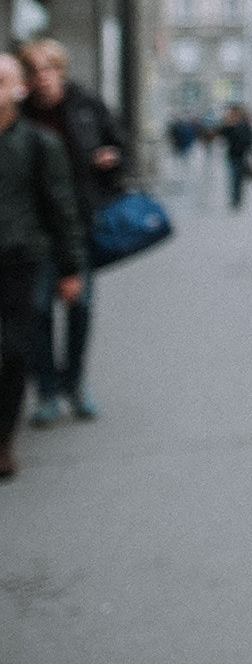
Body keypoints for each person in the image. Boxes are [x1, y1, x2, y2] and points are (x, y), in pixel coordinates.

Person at [17, 38, 126, 425]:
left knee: (78, 305)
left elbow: (119, 143)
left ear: (60, 71)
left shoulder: (84, 104)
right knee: (38, 311)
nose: (41, 78)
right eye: (33, 71)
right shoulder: (19, 114)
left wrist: (109, 159)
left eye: (48, 69)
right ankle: (47, 391)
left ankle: (74, 383)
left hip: (79, 222)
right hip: (32, 228)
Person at [0, 52, 87, 480]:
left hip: (20, 259)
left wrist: (72, 267)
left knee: (14, 350)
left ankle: (4, 439)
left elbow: (61, 207)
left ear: (18, 89)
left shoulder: (39, 143)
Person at [219, 105, 252, 210]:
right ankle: (234, 199)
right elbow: (221, 135)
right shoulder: (228, 126)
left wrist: (251, 154)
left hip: (242, 156)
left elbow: (249, 140)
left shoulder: (245, 125)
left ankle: (238, 199)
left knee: (239, 179)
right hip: (231, 155)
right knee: (232, 178)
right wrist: (227, 124)